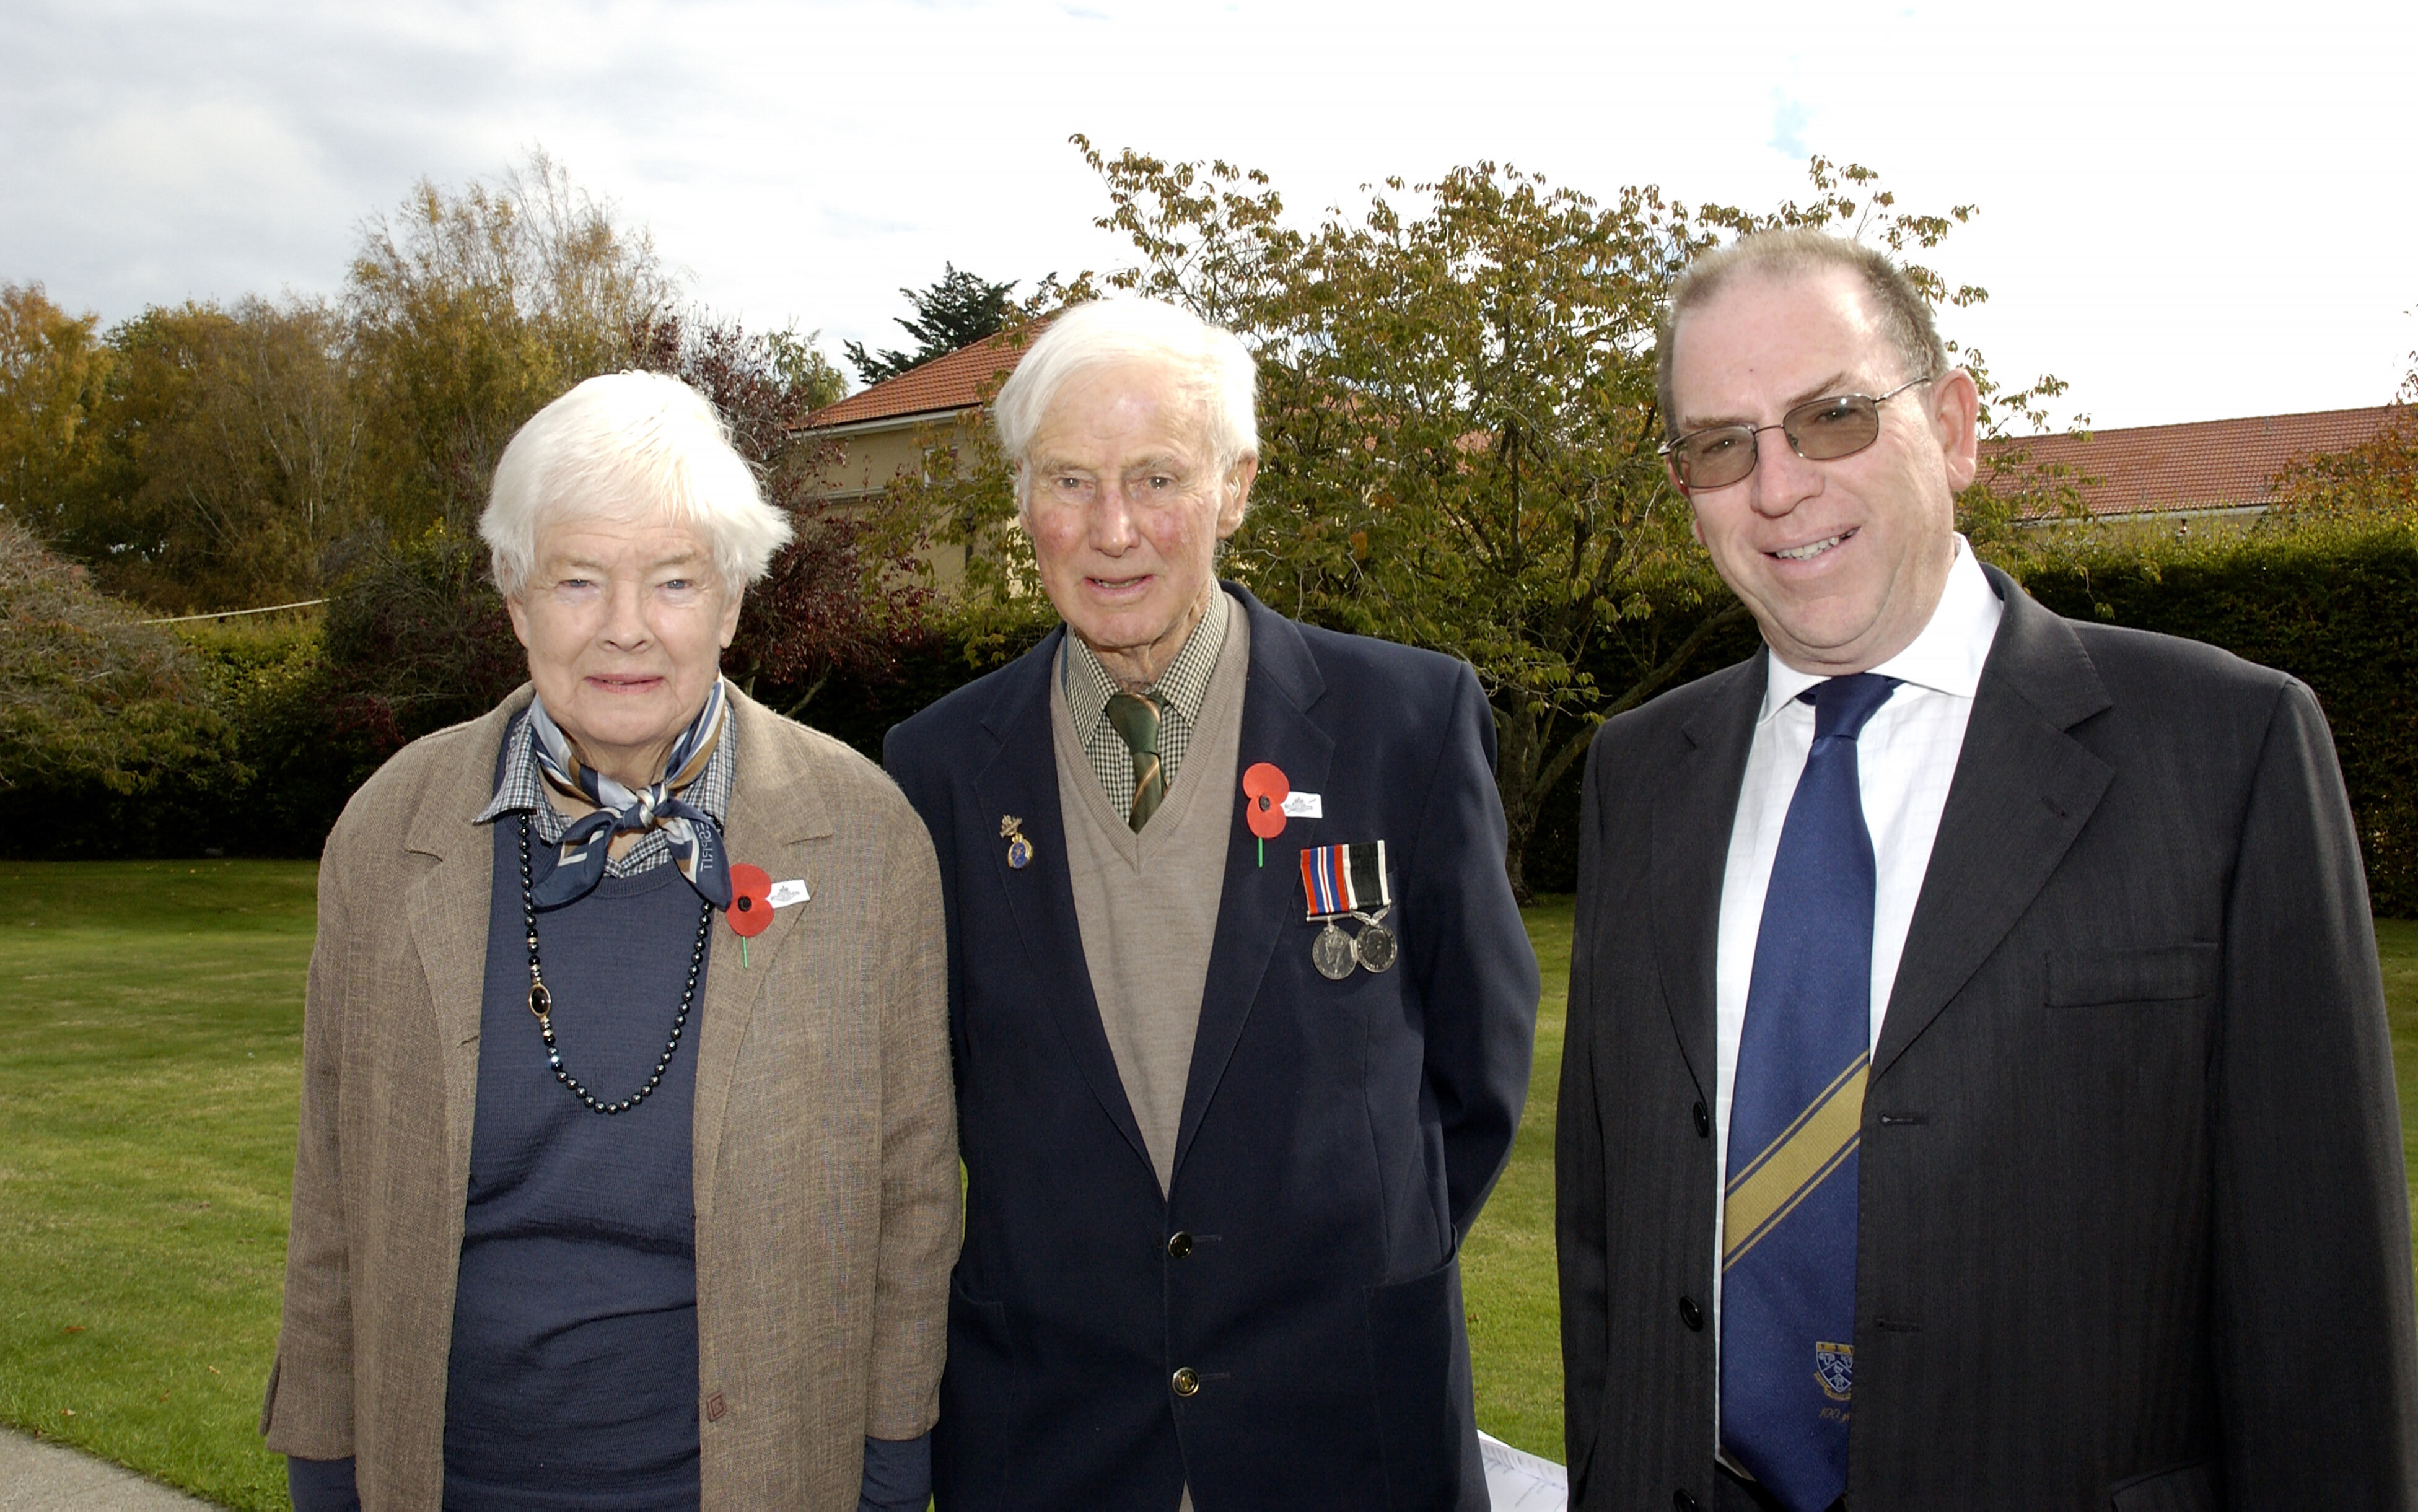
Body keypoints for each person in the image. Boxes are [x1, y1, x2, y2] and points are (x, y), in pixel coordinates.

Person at [1555, 230, 2418, 1511]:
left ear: (1951, 427)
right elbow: (1603, 1232)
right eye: (1718, 444)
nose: (1776, 485)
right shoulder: (1638, 770)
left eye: (1831, 416)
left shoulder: (2221, 747)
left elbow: (2318, 1293)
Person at [883, 295, 1540, 1511]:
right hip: (1051, 1444)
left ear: (1235, 488)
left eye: (1156, 478)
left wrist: (1360, 1267)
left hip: (1349, 1434)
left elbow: (1478, 1068)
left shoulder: (1405, 723)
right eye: (1069, 481)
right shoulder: (932, 772)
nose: (1112, 528)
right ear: (1023, 502)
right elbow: (918, 1115)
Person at [263, 372, 960, 1512]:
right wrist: (329, 1465)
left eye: (675, 580)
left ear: (731, 603)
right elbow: (334, 1188)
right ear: (516, 600)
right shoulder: (392, 829)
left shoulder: (864, 836)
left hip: (761, 1478)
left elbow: (915, 1193)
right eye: (578, 579)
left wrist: (888, 1469)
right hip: (447, 1478)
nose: (627, 625)